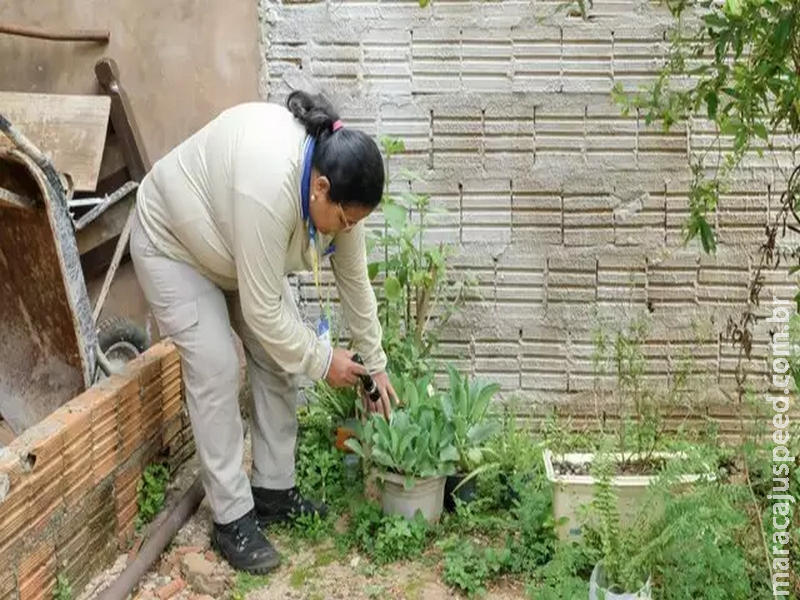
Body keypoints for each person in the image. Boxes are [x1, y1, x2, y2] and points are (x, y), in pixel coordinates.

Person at [129, 90, 399, 574]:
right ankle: (232, 518)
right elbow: (263, 315)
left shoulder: (339, 192)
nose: (346, 229)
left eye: (355, 222)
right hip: (174, 245)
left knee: (279, 358)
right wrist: (323, 361)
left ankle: (273, 490)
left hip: (232, 249)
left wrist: (375, 365)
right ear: (319, 188)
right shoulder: (269, 186)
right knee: (216, 365)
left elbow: (355, 284)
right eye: (344, 219)